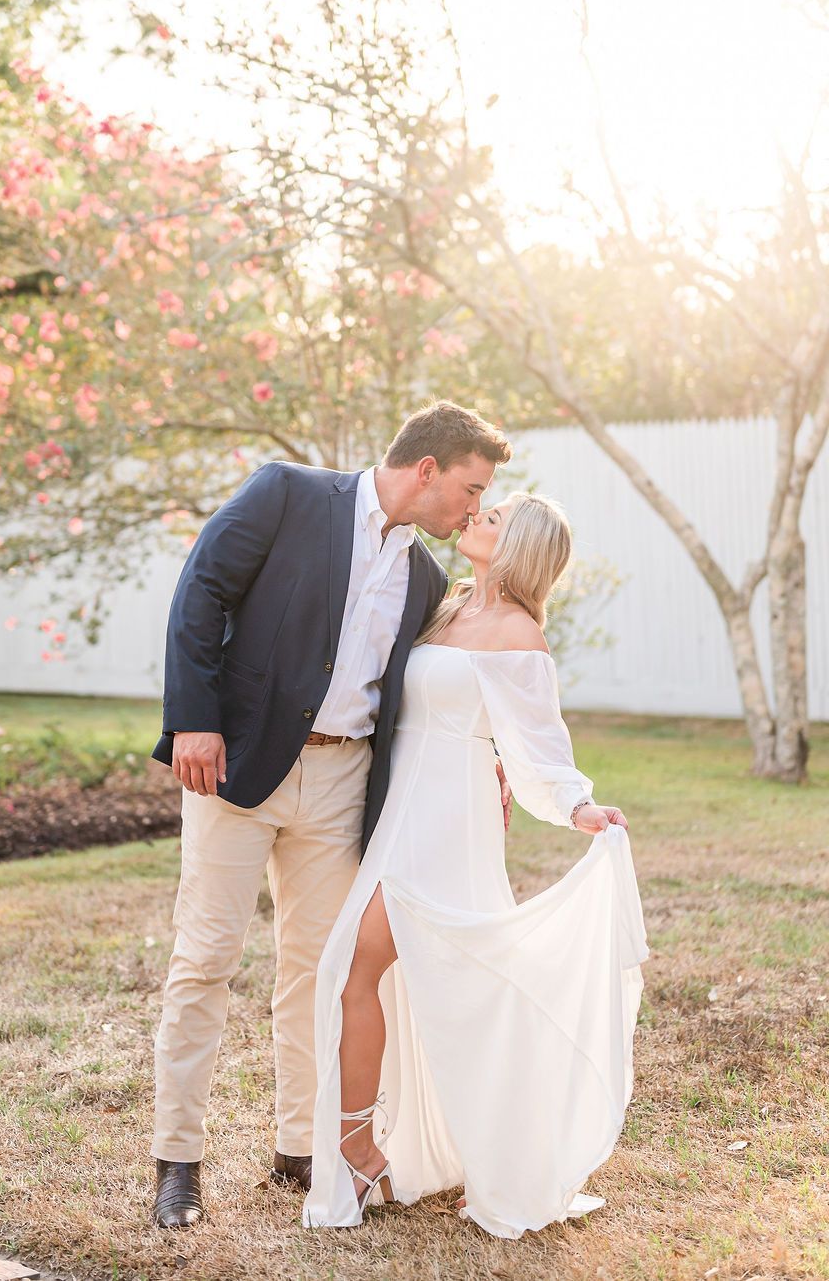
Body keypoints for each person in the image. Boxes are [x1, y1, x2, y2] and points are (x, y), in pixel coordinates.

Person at [149, 401, 514, 1227]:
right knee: (206, 958)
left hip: (345, 780)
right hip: (236, 767)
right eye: (471, 487)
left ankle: (299, 1146)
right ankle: (179, 1160)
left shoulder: (424, 576)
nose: (472, 506)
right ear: (428, 470)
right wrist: (194, 719)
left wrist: (487, 758)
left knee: (320, 969)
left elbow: (432, 686)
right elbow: (201, 591)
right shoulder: (287, 494)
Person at [302, 491, 649, 1239]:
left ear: (519, 542)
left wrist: (578, 805)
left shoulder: (520, 634)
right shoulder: (446, 605)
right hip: (402, 809)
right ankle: (367, 1148)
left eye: (493, 517)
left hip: (449, 824)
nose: (475, 518)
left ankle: (393, 1152)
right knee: (370, 976)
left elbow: (540, 744)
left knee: (385, 974)